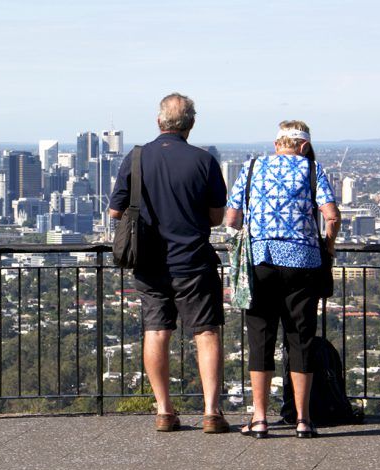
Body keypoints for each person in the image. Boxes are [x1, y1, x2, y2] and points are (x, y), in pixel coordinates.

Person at [109, 93, 229, 433]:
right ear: (190, 124)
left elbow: (115, 211)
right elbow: (217, 216)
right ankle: (211, 412)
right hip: (192, 261)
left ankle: (164, 410)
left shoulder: (136, 158)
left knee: (156, 331)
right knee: (205, 332)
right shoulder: (204, 161)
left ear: (159, 122)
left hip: (148, 261)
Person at [223, 120, 341, 439]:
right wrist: (326, 246)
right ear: (303, 146)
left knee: (260, 337)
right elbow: (331, 216)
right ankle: (303, 419)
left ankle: (259, 418)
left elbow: (231, 219)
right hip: (303, 263)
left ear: (277, 144)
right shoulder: (312, 170)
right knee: (300, 338)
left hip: (259, 261)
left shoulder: (250, 168)